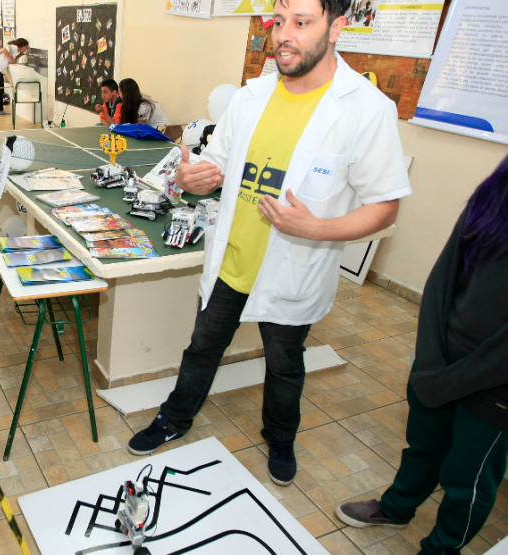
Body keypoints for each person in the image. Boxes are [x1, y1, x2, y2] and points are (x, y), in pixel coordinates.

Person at [126, 0, 411, 488]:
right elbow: (214, 167)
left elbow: (385, 205)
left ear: (337, 27)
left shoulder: (365, 109)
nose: (285, 35)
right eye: (280, 22)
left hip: (293, 269)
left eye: (302, 23)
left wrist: (317, 229)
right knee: (201, 348)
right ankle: (175, 417)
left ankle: (280, 437)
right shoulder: (252, 96)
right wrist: (193, 177)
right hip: (233, 259)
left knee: (284, 364)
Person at [336, 154, 508, 553]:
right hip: (441, 363)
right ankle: (397, 508)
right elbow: (443, 279)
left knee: (469, 480)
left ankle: (441, 548)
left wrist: (450, 378)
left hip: (495, 385)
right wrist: (430, 360)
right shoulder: (495, 195)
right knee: (423, 448)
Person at [0, 38, 28, 116]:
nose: (25, 50)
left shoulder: (15, 50)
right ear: (22, 46)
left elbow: (12, 61)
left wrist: (19, 55)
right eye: (25, 48)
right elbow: (4, 50)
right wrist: (10, 58)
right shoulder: (14, 47)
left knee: (1, 90)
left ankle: (0, 109)